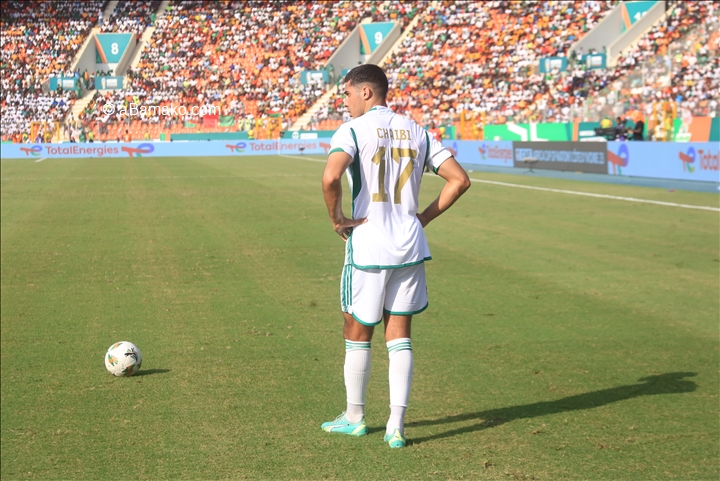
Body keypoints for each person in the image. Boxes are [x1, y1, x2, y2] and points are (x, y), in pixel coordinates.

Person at [320, 64, 471, 448]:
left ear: (366, 92)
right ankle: (396, 427)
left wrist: (338, 218)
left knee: (357, 331)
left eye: (347, 94)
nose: (345, 102)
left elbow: (331, 177)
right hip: (409, 245)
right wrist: (423, 218)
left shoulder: (353, 130)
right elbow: (459, 180)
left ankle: (355, 417)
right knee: (399, 335)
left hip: (369, 245)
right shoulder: (417, 130)